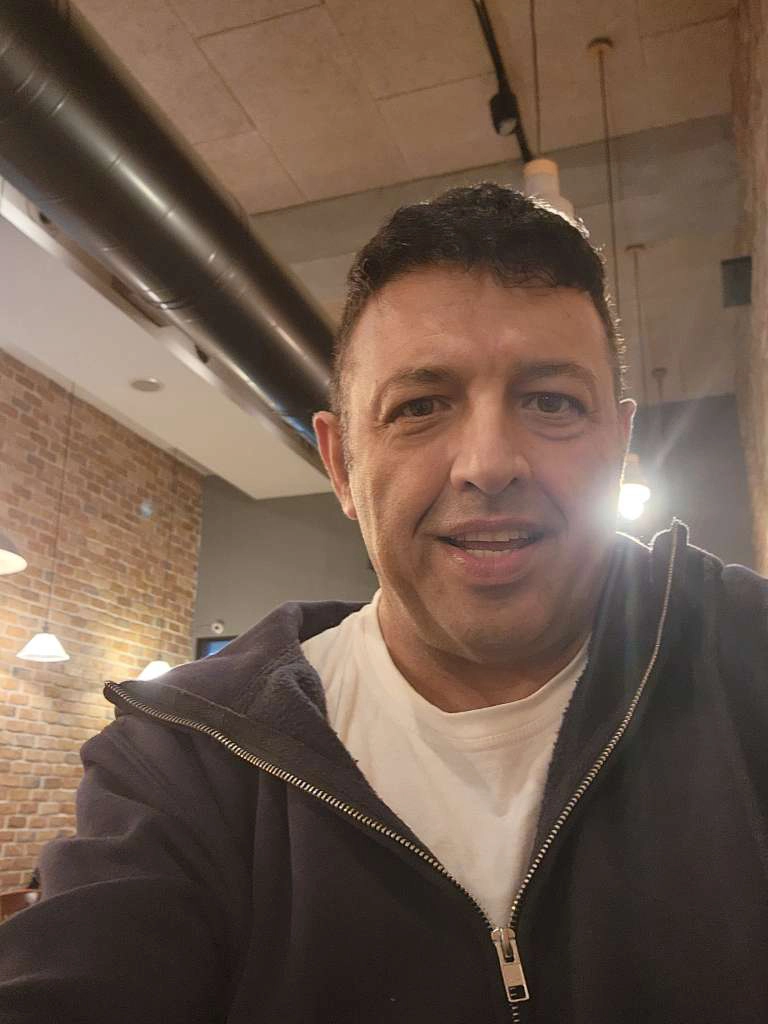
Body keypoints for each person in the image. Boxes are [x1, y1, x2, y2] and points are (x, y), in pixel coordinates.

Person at [1, 183, 767, 1024]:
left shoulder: (747, 655)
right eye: (420, 407)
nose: (488, 464)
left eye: (552, 402)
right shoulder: (182, 759)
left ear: (618, 449)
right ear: (341, 465)